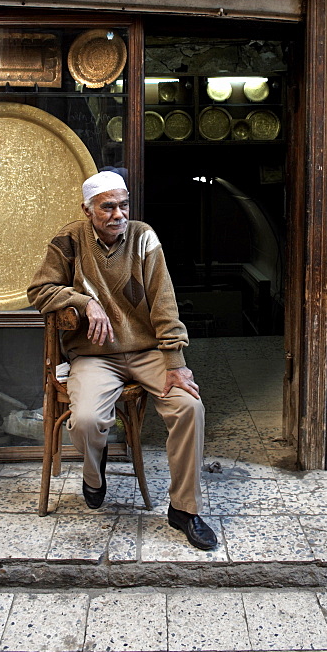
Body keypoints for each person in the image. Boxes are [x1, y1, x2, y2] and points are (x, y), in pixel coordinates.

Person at [28, 169, 217, 550]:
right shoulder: (68, 241)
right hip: (95, 356)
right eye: (108, 207)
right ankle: (94, 473)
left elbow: (164, 301)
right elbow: (39, 291)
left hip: (147, 352)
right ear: (88, 210)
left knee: (189, 408)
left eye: (123, 205)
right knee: (86, 420)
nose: (118, 214)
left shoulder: (144, 237)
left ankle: (184, 509)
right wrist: (84, 302)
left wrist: (175, 362)